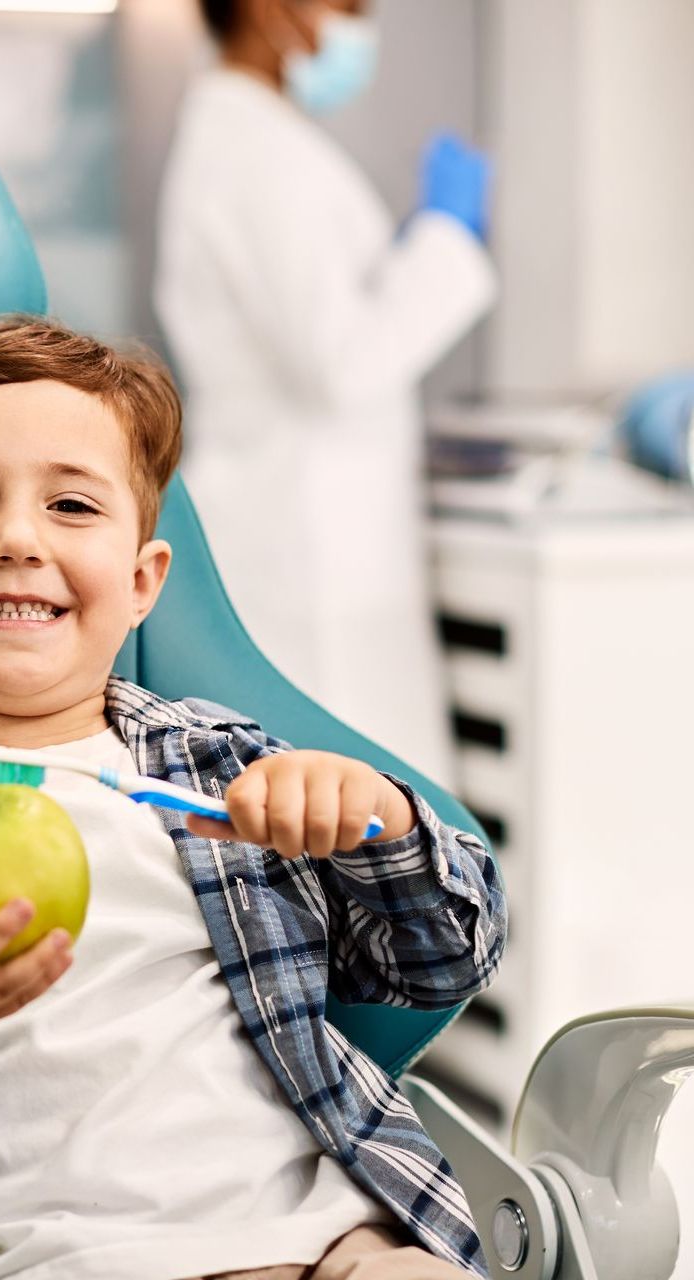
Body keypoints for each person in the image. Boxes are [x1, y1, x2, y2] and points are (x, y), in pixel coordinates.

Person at [0, 317, 506, 1280]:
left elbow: (449, 962)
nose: (16, 540)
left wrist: (378, 821)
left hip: (336, 1240)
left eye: (72, 507)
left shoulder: (225, 771)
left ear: (139, 582)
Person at [154, 0, 497, 786]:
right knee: (334, 799)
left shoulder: (261, 139)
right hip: (299, 537)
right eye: (344, 5)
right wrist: (445, 239)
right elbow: (341, 362)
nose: (356, 26)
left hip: (313, 521)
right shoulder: (252, 151)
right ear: (272, 9)